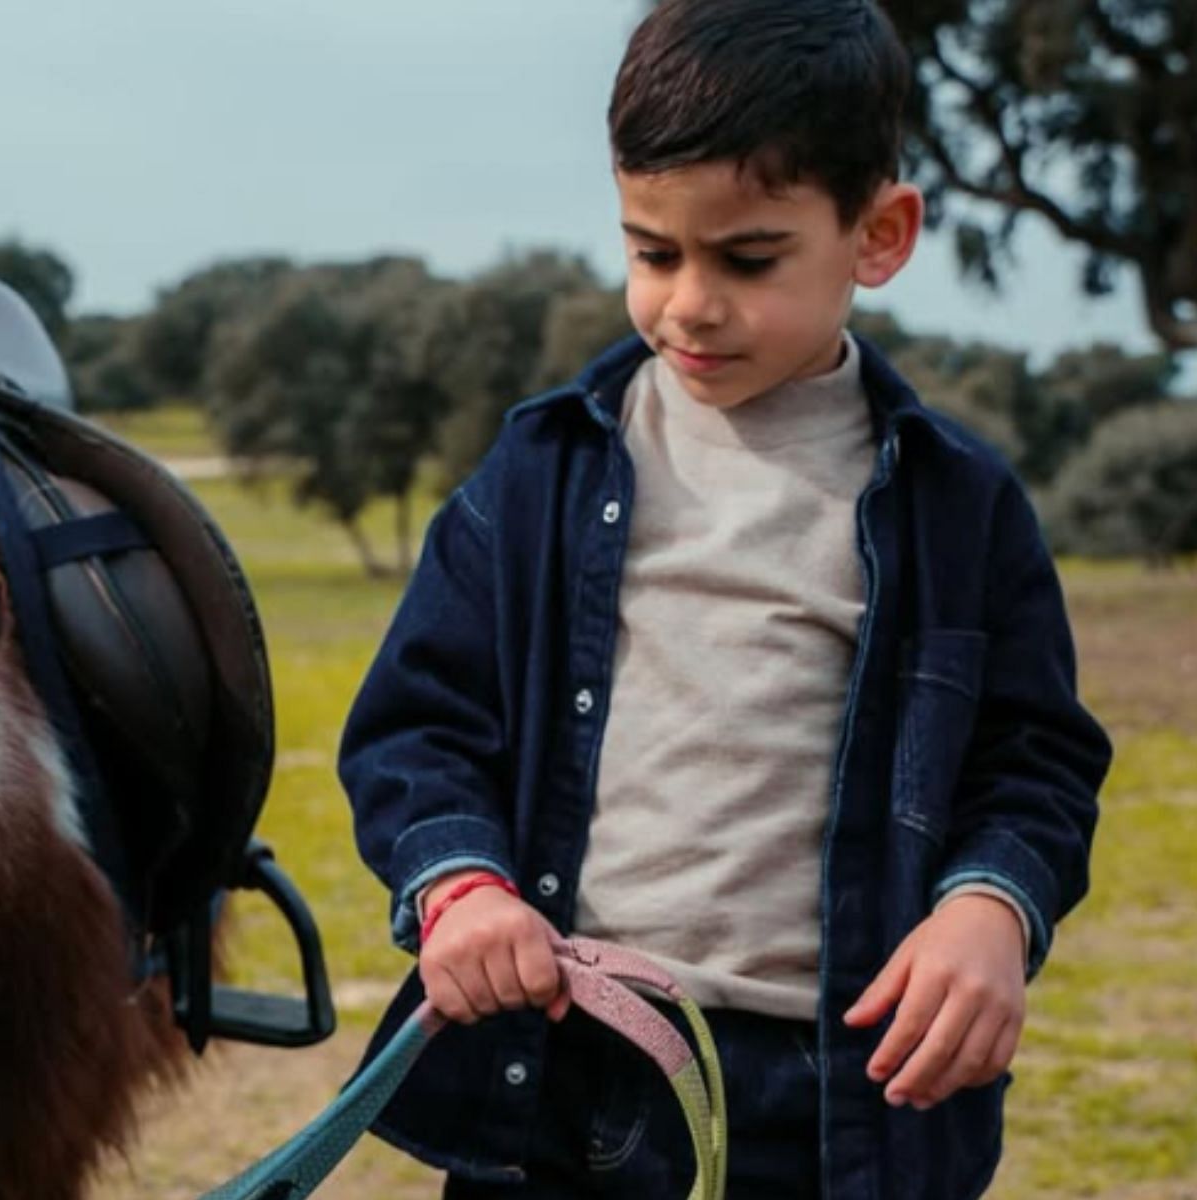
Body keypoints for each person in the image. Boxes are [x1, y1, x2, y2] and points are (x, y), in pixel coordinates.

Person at [337, 1, 1111, 1196]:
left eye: (745, 259)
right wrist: (461, 888)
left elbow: (1037, 760)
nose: (687, 303)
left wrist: (990, 913)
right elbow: (418, 724)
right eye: (652, 252)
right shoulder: (541, 474)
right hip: (565, 1068)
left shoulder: (959, 507)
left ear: (880, 234)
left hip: (842, 1097)